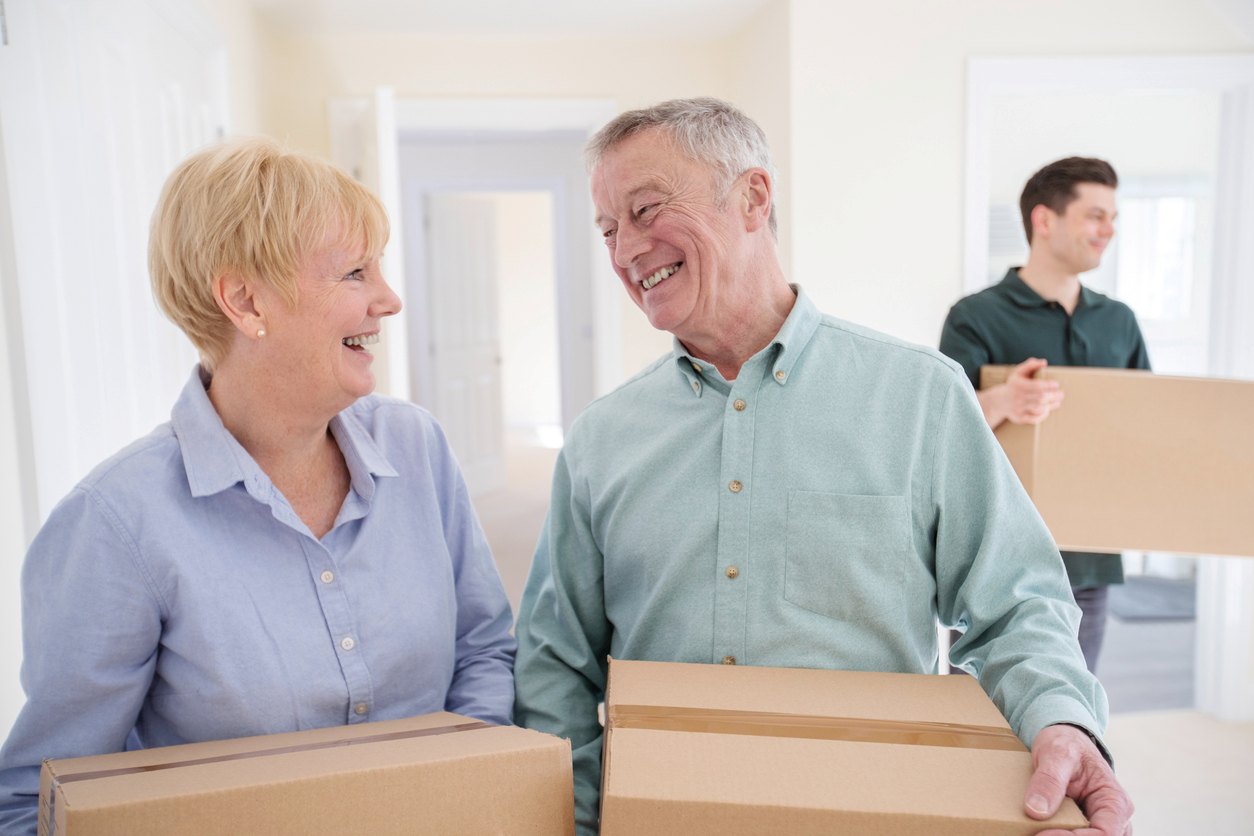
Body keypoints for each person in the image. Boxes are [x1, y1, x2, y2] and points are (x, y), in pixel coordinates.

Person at [513, 98, 1133, 835]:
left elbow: (1017, 602)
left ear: (752, 197)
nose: (624, 252)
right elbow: (557, 664)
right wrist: (578, 821)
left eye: (646, 211)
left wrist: (1064, 719)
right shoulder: (600, 439)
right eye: (609, 229)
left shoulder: (920, 396)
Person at [0, 137, 516, 834]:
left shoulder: (416, 445)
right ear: (245, 301)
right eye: (355, 273)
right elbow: (40, 803)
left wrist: (468, 789)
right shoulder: (115, 522)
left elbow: (483, 647)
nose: (389, 300)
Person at [939, 157, 1150, 673]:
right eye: (1096, 215)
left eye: (1113, 218)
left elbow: (1145, 433)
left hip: (1090, 557)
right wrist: (1000, 402)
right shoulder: (975, 316)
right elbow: (937, 434)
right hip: (995, 559)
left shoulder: (1119, 322)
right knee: (990, 719)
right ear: (1044, 220)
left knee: (1075, 712)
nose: (1109, 231)